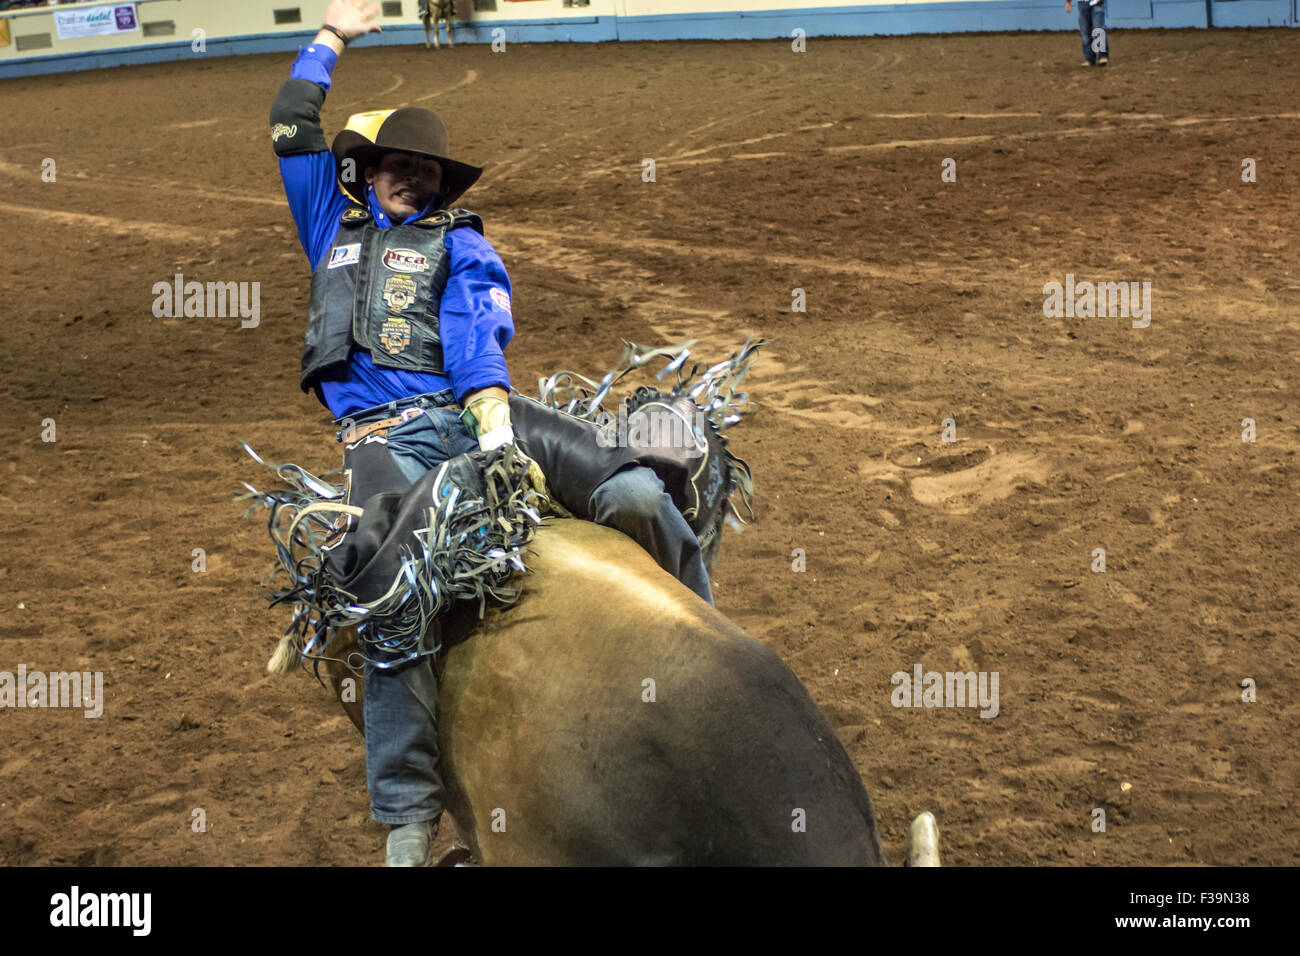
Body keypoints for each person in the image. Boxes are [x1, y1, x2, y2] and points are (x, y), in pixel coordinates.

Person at [268, 0, 714, 866]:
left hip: (481, 414)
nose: (413, 180)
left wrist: (494, 415)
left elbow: (477, 332)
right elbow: (290, 121)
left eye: (427, 173)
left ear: (442, 185)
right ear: (367, 173)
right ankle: (405, 816)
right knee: (387, 584)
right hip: (386, 441)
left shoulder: (464, 244)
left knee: (634, 490)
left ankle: (706, 638)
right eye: (398, 166)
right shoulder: (330, 223)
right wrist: (329, 39)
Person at [1067, 0, 1109, 67]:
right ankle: (1089, 58)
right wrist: (1068, 2)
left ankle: (1102, 56)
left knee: (1098, 28)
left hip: (1097, 2)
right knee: (1085, 31)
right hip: (1082, 3)